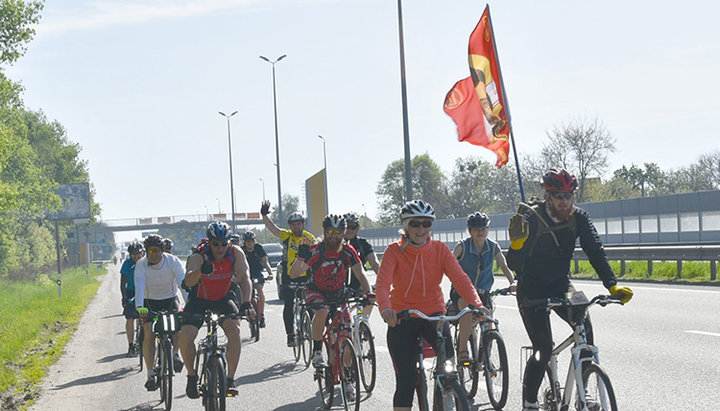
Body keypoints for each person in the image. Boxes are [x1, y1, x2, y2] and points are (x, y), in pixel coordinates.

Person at [506, 169, 634, 411]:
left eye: (567, 195)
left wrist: (612, 284)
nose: (563, 200)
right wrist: (516, 245)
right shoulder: (532, 218)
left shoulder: (580, 218)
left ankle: (583, 392)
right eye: (557, 195)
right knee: (543, 348)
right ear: (548, 196)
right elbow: (514, 265)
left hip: (562, 284)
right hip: (531, 287)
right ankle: (530, 403)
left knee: (584, 327)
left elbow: (595, 251)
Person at [375, 200, 488, 411]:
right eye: (415, 223)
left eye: (426, 224)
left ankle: (447, 395)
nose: (421, 229)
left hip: (434, 315)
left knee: (449, 366)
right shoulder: (394, 251)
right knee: (406, 382)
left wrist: (477, 305)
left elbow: (461, 279)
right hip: (402, 316)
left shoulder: (440, 250)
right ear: (406, 226)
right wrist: (386, 309)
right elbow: (382, 285)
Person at [289, 214, 373, 402]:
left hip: (338, 294)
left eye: (337, 232)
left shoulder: (348, 251)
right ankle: (317, 350)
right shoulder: (316, 250)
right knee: (323, 310)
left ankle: (348, 380)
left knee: (346, 337)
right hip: (316, 291)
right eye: (329, 232)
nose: (333, 236)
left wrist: (368, 293)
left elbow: (360, 274)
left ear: (343, 233)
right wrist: (301, 257)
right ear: (324, 232)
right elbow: (294, 273)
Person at [180, 221, 253, 399]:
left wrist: (246, 303)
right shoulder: (199, 255)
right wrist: (200, 271)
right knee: (186, 335)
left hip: (223, 298)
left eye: (223, 243)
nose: (220, 248)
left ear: (229, 242)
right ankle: (191, 375)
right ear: (209, 242)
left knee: (235, 331)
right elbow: (188, 282)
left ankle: (229, 379)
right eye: (216, 244)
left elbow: (245, 279)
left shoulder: (236, 253)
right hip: (199, 299)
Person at [451, 212, 516, 364]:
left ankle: (485, 355)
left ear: (488, 229)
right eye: (476, 229)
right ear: (470, 231)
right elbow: (450, 263)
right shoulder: (462, 246)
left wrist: (513, 282)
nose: (480, 232)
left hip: (483, 293)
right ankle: (463, 351)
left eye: (484, 229)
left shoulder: (493, 247)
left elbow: (503, 265)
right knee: (466, 311)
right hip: (462, 292)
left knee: (489, 321)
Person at [134, 234, 187, 391]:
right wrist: (139, 307)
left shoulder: (173, 261)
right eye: (150, 251)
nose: (154, 254)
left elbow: (182, 285)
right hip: (149, 302)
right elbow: (139, 286)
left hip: (170, 299)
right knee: (149, 333)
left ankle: (175, 354)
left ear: (163, 251)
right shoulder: (141, 265)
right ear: (147, 252)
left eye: (157, 250)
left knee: (180, 327)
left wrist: (189, 304)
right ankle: (150, 374)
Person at [260, 200, 316, 347]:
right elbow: (273, 229)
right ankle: (290, 335)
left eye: (299, 224)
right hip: (289, 275)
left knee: (311, 304)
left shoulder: (309, 238)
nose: (296, 227)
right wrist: (264, 215)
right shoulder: (287, 236)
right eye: (293, 224)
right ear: (290, 226)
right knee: (289, 304)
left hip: (306, 275)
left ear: (303, 224)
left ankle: (310, 328)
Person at [342, 213, 381, 316]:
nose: (350, 230)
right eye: (347, 227)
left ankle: (363, 321)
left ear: (358, 228)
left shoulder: (363, 244)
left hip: (359, 284)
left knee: (371, 296)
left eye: (353, 227)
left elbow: (375, 264)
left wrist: (382, 282)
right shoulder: (336, 243)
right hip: (339, 286)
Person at [240, 231, 274, 328]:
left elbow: (265, 261)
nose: (249, 243)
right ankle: (245, 309)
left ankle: (262, 315)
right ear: (245, 242)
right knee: (244, 291)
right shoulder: (242, 251)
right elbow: (237, 264)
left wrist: (270, 273)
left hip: (257, 273)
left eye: (251, 241)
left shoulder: (258, 248)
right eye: (247, 241)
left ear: (254, 241)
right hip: (246, 274)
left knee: (259, 290)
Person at [120, 241, 143, 357]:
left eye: (138, 254)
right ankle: (131, 345)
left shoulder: (146, 262)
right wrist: (124, 297)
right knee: (130, 318)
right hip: (131, 291)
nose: (136, 256)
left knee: (145, 316)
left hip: (145, 291)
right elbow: (123, 282)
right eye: (133, 254)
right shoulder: (127, 264)